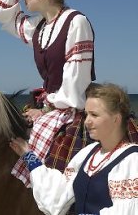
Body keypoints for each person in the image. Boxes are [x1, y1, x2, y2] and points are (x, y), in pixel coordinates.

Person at [0, 0, 96, 186]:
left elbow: (76, 79)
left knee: (58, 176)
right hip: (51, 105)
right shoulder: (39, 27)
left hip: (72, 107)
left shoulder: (76, 22)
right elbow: (8, 18)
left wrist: (47, 109)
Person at [9, 83, 138, 214]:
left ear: (116, 119)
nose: (87, 121)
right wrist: (28, 155)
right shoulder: (89, 153)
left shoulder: (131, 161)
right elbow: (58, 194)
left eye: (94, 115)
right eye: (86, 114)